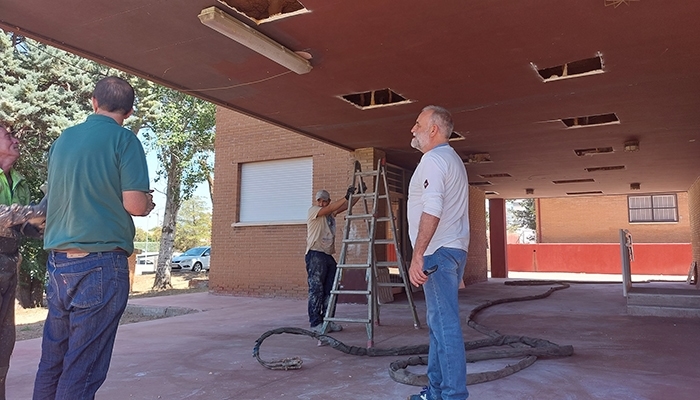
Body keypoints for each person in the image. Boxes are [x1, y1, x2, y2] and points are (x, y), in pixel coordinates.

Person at [32, 76, 155, 400]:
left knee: (53, 362)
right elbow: (135, 205)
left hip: (59, 263)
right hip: (100, 263)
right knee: (83, 368)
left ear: (93, 102)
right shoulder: (124, 140)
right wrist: (148, 200)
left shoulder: (63, 140)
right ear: (128, 111)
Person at [406, 105, 470, 400]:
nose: (413, 129)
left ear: (433, 129)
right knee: (439, 327)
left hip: (437, 254)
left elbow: (433, 209)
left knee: (445, 329)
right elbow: (457, 215)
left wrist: (418, 255)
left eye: (418, 124)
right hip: (450, 252)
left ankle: (452, 396)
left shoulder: (433, 160)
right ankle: (435, 392)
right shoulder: (452, 159)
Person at [0, 122, 47, 400]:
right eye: (8, 136)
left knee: (5, 343)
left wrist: (46, 222)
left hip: (8, 265)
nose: (16, 140)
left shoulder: (19, 182)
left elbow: (25, 227)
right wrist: (31, 212)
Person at [305, 185, 359, 334]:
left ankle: (328, 321)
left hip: (327, 255)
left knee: (331, 290)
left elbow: (345, 205)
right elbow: (332, 207)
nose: (321, 203)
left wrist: (358, 194)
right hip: (315, 254)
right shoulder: (313, 211)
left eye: (325, 201)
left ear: (328, 201)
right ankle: (315, 323)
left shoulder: (330, 213)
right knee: (316, 289)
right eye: (319, 201)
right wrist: (345, 196)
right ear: (316, 201)